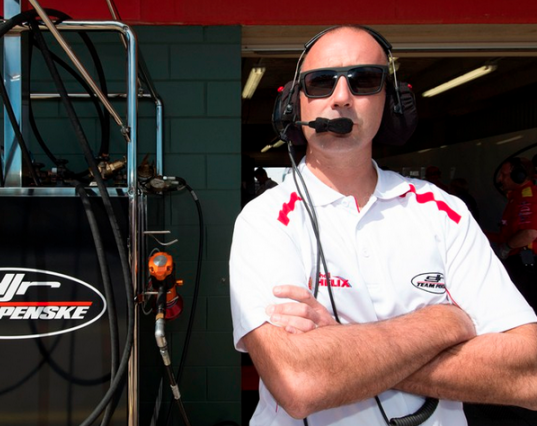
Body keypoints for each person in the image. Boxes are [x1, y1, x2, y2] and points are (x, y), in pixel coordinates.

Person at [229, 25, 537, 426]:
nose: (341, 98)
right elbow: (300, 382)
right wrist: (444, 323)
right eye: (320, 83)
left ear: (391, 102)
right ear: (294, 105)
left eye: (364, 81)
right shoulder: (265, 220)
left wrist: (343, 354)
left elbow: (527, 374)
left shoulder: (444, 211)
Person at [495, 157, 537, 309]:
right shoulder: (517, 197)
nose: (500, 179)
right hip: (521, 264)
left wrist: (506, 247)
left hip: (527, 266)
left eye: (504, 175)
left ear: (518, 175)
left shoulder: (528, 197)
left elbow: (530, 233)